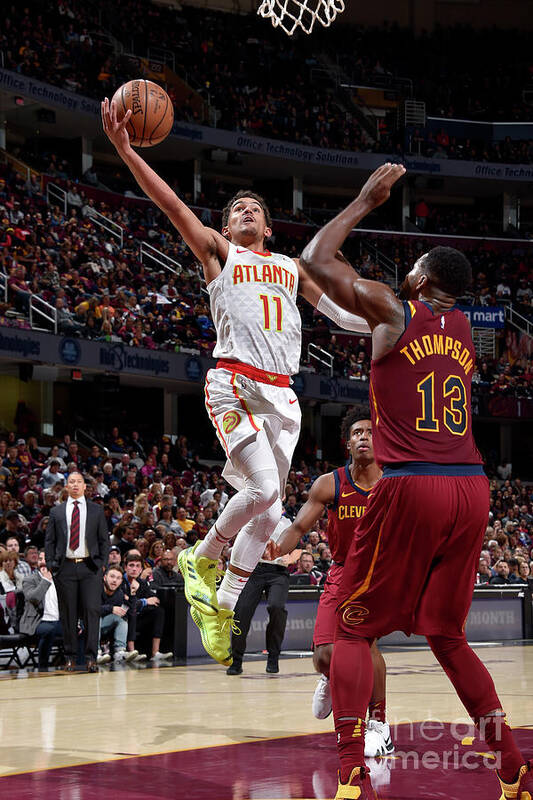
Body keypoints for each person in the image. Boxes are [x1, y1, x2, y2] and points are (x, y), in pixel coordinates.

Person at [101, 98, 371, 667]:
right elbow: (172, 204)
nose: (245, 211)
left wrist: (387, 321)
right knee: (266, 493)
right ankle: (202, 557)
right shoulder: (219, 253)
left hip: (284, 395)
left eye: (254, 208)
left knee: (271, 514)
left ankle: (221, 606)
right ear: (225, 226)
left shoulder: (294, 268)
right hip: (234, 383)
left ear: (268, 227)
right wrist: (127, 151)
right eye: (236, 209)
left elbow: (343, 317)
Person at [299, 162, 533, 799]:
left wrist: (364, 200)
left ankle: (350, 771)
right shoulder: (464, 329)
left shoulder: (395, 310)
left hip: (415, 484)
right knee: (446, 633)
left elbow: (315, 259)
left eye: (414, 266)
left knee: (351, 628)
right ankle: (512, 765)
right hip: (473, 488)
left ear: (423, 277)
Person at [272, 413, 391, 758]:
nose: (364, 437)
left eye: (370, 432)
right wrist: (277, 548)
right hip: (342, 573)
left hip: (380, 576)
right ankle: (330, 676)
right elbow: (298, 528)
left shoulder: (393, 481)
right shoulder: (330, 483)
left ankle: (380, 726)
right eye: (357, 432)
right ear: (348, 442)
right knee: (325, 654)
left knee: (367, 648)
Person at [44, 471, 110, 672]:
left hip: (90, 568)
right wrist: (50, 564)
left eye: (78, 482)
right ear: (66, 486)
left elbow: (104, 540)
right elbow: (50, 540)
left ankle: (91, 658)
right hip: (65, 568)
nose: (75, 485)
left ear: (84, 487)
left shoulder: (96, 510)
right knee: (68, 614)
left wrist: (101, 564)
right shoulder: (56, 512)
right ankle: (70, 657)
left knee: (92, 611)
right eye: (71, 482)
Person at [227, 524, 292, 676]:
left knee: (277, 607)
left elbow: (295, 548)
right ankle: (236, 660)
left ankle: (273, 657)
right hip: (253, 569)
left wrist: (289, 556)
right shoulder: (254, 518)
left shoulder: (288, 522)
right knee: (241, 611)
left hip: (278, 572)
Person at [121, 553, 172, 661]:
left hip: (138, 618)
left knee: (159, 611)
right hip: (124, 618)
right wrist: (144, 602)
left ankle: (155, 652)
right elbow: (125, 605)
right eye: (131, 565)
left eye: (137, 566)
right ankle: (131, 652)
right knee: (132, 612)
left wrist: (146, 601)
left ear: (141, 569)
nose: (134, 569)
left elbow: (153, 598)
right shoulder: (120, 582)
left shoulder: (142, 583)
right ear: (125, 567)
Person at [20, 550, 62, 671]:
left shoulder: (60, 580)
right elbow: (34, 598)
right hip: (37, 622)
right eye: (40, 559)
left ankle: (78, 665)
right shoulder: (29, 579)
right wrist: (46, 580)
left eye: (46, 559)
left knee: (80, 630)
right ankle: (42, 667)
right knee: (49, 630)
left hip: (57, 621)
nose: (43, 562)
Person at [99, 565, 138, 663]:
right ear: (105, 577)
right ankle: (96, 652)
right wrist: (111, 609)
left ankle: (120, 652)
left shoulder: (119, 594)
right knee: (95, 617)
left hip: (105, 626)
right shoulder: (96, 590)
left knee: (121, 618)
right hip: (89, 625)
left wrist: (132, 594)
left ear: (121, 581)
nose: (114, 580)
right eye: (112, 576)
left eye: (118, 578)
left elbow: (130, 613)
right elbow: (90, 610)